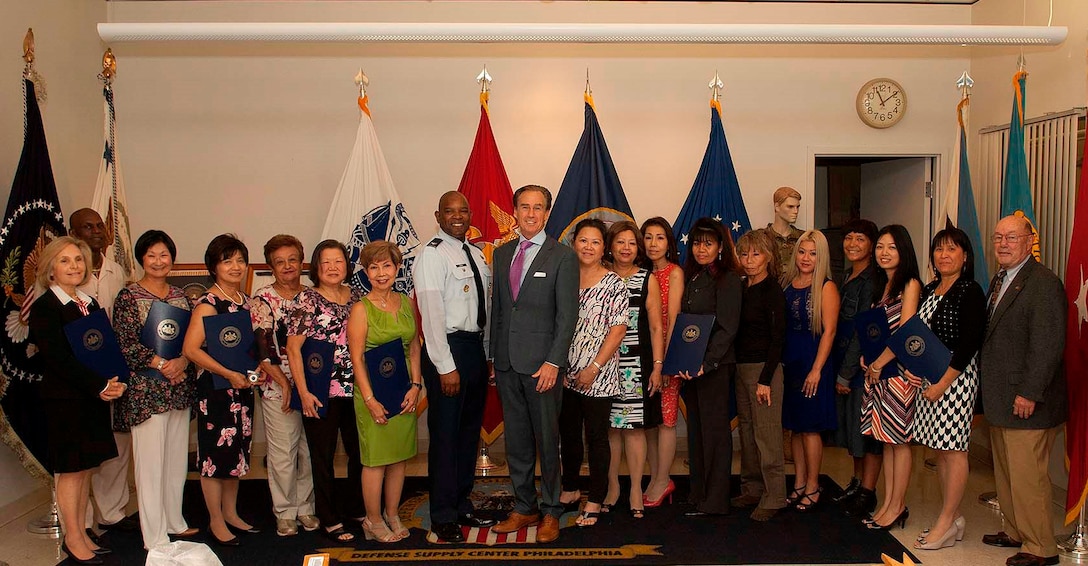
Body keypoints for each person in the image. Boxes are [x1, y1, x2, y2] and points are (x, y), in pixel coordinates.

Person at [29, 236, 126, 564]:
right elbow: (58, 359)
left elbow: (102, 350)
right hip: (65, 400)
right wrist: (99, 384)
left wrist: (115, 381)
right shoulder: (46, 307)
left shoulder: (89, 303)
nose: (74, 266)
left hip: (91, 398)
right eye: (65, 260)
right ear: (50, 269)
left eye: (78, 260)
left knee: (85, 469)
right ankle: (73, 537)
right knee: (71, 472)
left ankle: (82, 532)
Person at [490, 185, 578, 543]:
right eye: (524, 207)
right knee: (518, 442)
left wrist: (554, 362)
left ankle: (552, 508)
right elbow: (499, 310)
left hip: (543, 368)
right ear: (514, 211)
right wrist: (494, 359)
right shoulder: (502, 253)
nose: (530, 214)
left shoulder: (563, 256)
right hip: (508, 365)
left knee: (546, 439)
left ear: (547, 213)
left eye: (538, 208)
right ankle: (525, 506)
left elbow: (567, 316)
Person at [979, 215, 1066, 566]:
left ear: (1030, 240)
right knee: (1007, 471)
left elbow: (1047, 345)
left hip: (1027, 399)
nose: (1002, 243)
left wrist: (1030, 391)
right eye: (998, 236)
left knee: (1028, 476)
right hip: (1001, 397)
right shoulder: (1001, 279)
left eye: (1012, 237)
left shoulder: (1043, 283)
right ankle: (1016, 531)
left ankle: (1040, 548)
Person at [414, 191, 496, 543]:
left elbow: (486, 311)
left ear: (471, 213)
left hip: (474, 349)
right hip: (447, 351)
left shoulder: (477, 255)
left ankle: (462, 503)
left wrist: (488, 356)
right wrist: (444, 366)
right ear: (438, 215)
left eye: (463, 210)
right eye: (450, 211)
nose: (457, 216)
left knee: (467, 434)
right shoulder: (430, 255)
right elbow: (431, 316)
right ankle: (443, 515)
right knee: (446, 437)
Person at [111, 230, 199, 549]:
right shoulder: (129, 296)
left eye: (164, 255)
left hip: (178, 388)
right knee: (150, 465)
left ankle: (175, 521)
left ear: (172, 259)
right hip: (146, 391)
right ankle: (154, 535)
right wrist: (164, 365)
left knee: (175, 460)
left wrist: (183, 363)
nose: (159, 261)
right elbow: (124, 343)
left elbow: (192, 340)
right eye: (151, 255)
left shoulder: (181, 296)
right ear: (141, 260)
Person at [909, 228, 986, 551]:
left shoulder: (970, 291)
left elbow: (969, 343)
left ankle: (946, 519)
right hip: (929, 382)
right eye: (939, 250)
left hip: (955, 381)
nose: (944, 255)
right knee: (939, 450)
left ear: (965, 256)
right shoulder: (929, 289)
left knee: (954, 450)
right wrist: (916, 371)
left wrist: (942, 383)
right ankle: (952, 518)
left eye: (951, 249)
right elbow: (919, 338)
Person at [181, 234, 259, 547]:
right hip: (216, 391)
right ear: (214, 266)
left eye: (240, 260)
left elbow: (250, 349)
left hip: (242, 389)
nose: (235, 266)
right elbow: (191, 349)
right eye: (227, 260)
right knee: (215, 456)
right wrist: (228, 373)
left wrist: (251, 376)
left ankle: (231, 511)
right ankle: (215, 518)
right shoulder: (208, 304)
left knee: (237, 451)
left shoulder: (246, 302)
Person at [286, 240, 365, 544]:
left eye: (338, 262)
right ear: (316, 267)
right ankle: (329, 518)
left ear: (347, 265)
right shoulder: (306, 299)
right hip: (321, 392)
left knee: (359, 453)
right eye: (326, 262)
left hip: (356, 389)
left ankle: (356, 507)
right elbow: (293, 350)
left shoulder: (356, 297)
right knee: (323, 456)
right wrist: (303, 392)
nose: (333, 267)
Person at [347, 240, 422, 543]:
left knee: (399, 457)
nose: (381, 273)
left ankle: (392, 513)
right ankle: (373, 520)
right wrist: (370, 400)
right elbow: (356, 358)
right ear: (365, 272)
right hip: (372, 394)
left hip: (403, 390)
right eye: (373, 267)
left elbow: (415, 346)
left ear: (397, 268)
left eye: (386, 266)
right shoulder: (360, 309)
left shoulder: (406, 302)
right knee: (376, 460)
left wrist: (416, 386)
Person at [558, 219, 629, 527]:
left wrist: (594, 367)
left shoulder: (614, 283)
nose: (588, 246)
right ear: (574, 243)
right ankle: (570, 489)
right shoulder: (565, 277)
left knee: (596, 437)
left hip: (597, 373)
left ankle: (596, 498)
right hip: (565, 372)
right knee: (568, 434)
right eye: (583, 240)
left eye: (595, 242)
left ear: (605, 248)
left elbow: (618, 330)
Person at [70, 208, 137, 536]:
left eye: (100, 226)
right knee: (83, 448)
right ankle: (80, 522)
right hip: (80, 375)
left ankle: (112, 513)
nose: (97, 231)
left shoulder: (117, 271)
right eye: (88, 227)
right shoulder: (66, 274)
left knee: (118, 442)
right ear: (73, 233)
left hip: (117, 369)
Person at [248, 235, 318, 537]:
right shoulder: (263, 299)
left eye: (292, 259)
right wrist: (286, 385)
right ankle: (285, 511)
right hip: (278, 387)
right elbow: (262, 351)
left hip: (312, 385)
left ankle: (306, 507)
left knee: (309, 448)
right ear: (270, 266)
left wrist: (302, 386)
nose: (287, 266)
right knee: (283, 452)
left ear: (302, 261)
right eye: (280, 262)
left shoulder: (313, 296)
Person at [597, 221, 663, 519]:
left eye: (632, 243)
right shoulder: (600, 276)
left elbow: (656, 326)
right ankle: (612, 487)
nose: (626, 248)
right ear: (610, 246)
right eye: (620, 242)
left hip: (636, 364)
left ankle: (636, 488)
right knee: (609, 429)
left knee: (634, 429)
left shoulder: (646, 279)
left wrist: (658, 366)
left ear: (638, 249)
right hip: (603, 363)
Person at [678, 217, 742, 516]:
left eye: (708, 243)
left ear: (720, 247)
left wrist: (707, 362)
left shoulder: (727, 278)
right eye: (696, 243)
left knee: (715, 432)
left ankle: (716, 500)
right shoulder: (692, 275)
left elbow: (728, 327)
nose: (701, 249)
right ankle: (698, 492)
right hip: (690, 368)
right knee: (697, 432)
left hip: (713, 367)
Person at [860, 224, 921, 531]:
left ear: (904, 251)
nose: (883, 253)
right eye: (880, 247)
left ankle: (898, 506)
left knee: (899, 442)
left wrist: (878, 362)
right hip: (880, 373)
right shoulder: (880, 285)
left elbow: (906, 331)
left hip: (898, 374)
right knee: (885, 442)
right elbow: (876, 332)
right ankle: (887, 503)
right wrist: (867, 358)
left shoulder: (909, 283)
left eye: (891, 247)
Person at [827, 219, 883, 518]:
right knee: (853, 431)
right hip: (844, 361)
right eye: (848, 238)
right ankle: (857, 482)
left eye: (859, 239)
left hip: (862, 367)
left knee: (868, 433)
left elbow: (863, 332)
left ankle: (869, 491)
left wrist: (846, 372)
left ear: (871, 244)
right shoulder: (846, 275)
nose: (852, 244)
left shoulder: (873, 280)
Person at [781, 230, 839, 512]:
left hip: (814, 363)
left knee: (811, 429)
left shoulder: (826, 287)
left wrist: (816, 370)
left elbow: (829, 332)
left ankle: (814, 485)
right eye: (802, 252)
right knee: (794, 427)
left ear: (822, 257)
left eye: (813, 253)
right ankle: (799, 483)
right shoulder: (787, 283)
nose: (806, 258)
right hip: (790, 363)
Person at [731, 229, 787, 521]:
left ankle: (775, 495)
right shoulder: (742, 287)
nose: (749, 260)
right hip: (741, 368)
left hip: (764, 370)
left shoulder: (772, 291)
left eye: (756, 254)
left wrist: (765, 379)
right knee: (749, 431)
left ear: (768, 257)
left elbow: (778, 338)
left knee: (767, 433)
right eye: (744, 254)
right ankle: (752, 488)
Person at [640, 217, 684, 508]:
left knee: (667, 422)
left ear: (669, 242)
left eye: (659, 237)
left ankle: (662, 479)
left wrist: (666, 363)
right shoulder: (640, 273)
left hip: (667, 356)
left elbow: (675, 318)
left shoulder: (674, 273)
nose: (653, 243)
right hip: (644, 356)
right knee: (651, 423)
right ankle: (656, 477)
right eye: (648, 237)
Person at [761, 187, 803, 276]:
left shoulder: (803, 238)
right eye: (790, 207)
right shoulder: (761, 238)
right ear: (777, 207)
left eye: (797, 207)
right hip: (769, 288)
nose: (795, 211)